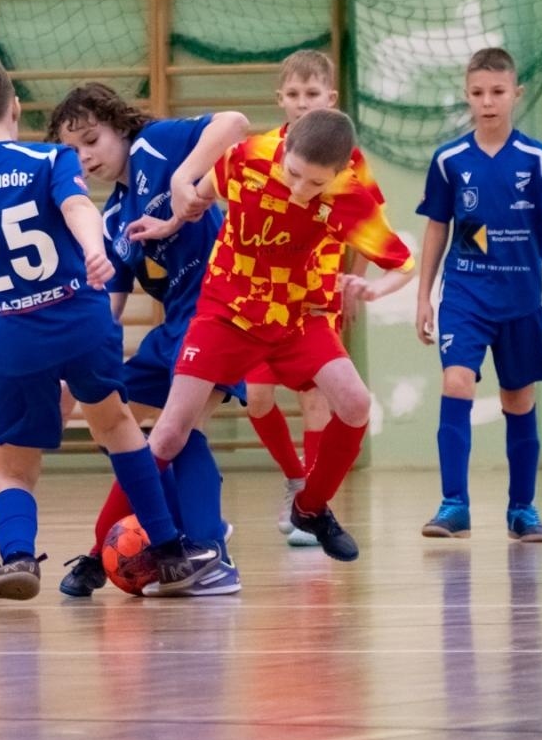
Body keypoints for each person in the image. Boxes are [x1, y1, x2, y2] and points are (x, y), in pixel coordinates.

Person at [0, 53, 203, 605]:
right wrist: (94, 249)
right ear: (15, 107)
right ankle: (171, 550)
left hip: (11, 338)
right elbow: (79, 206)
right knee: (118, 428)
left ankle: (17, 558)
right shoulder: (48, 157)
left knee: (12, 463)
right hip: (79, 319)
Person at [135, 108, 414, 581]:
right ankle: (102, 550)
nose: (301, 189)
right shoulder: (249, 158)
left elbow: (395, 255)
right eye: (296, 176)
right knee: (183, 425)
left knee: (348, 401)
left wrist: (369, 287)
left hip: (302, 310)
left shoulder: (350, 185)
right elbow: (198, 196)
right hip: (233, 312)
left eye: (316, 183)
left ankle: (310, 505)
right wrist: (167, 223)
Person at [45, 83, 249, 597]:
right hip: (175, 327)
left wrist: (185, 178)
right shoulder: (113, 217)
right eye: (73, 150)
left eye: (92, 139)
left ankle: (202, 552)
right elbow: (109, 313)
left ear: (120, 126)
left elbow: (235, 123)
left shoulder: (157, 144)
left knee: (171, 435)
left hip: (220, 310)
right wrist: (78, 370)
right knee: (114, 424)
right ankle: (187, 534)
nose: (85, 156)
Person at [414, 47, 542, 542]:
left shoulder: (537, 160)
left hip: (522, 298)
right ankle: (453, 504)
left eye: (498, 92)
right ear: (467, 96)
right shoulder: (449, 161)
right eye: (478, 93)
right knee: (457, 382)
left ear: (516, 94)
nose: (488, 102)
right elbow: (435, 231)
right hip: (465, 294)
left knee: (518, 399)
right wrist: (424, 296)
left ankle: (522, 509)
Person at [242, 50, 377, 547]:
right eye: (294, 95)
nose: (303, 103)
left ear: (331, 99)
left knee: (316, 401)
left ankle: (315, 503)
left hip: (316, 297)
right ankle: (295, 475)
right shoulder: (262, 152)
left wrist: (352, 282)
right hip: (259, 298)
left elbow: (368, 227)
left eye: (313, 94)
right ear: (280, 100)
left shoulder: (350, 161)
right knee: (256, 398)